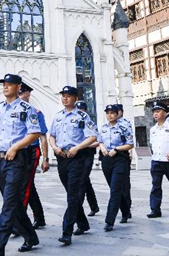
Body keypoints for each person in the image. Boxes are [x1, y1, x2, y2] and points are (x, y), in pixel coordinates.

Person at [0, 74, 41, 255]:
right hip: (0, 160)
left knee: (9, 204)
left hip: (18, 160)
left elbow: (34, 133)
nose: (5, 87)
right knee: (13, 202)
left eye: (10, 84)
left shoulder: (26, 108)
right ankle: (31, 237)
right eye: (4, 84)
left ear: (18, 87)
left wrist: (16, 147)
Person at [49, 86, 97, 246]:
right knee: (72, 192)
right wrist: (55, 148)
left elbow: (92, 137)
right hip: (62, 158)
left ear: (76, 98)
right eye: (63, 96)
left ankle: (66, 232)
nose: (65, 99)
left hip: (77, 158)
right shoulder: (57, 117)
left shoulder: (82, 116)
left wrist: (77, 147)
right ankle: (83, 223)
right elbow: (52, 136)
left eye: (68, 96)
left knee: (73, 195)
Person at [96, 104, 134, 232]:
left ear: (118, 114)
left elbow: (130, 144)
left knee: (115, 190)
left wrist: (116, 149)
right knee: (114, 188)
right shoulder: (104, 128)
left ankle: (109, 221)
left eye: (112, 113)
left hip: (120, 159)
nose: (110, 115)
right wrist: (102, 149)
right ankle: (125, 210)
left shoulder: (124, 127)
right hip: (107, 160)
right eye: (107, 113)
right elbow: (100, 141)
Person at [18, 82, 49, 229]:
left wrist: (45, 158)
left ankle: (20, 223)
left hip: (31, 152)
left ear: (28, 94)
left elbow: (42, 137)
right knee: (27, 186)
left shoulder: (36, 112)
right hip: (17, 153)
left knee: (24, 186)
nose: (20, 96)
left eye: (22, 93)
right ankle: (39, 217)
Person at [74, 100, 100, 217]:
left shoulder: (89, 122)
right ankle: (94, 206)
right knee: (85, 182)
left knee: (81, 181)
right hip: (78, 155)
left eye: (81, 110)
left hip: (88, 155)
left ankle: (77, 208)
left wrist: (84, 144)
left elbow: (97, 141)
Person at [114, 103, 132, 223]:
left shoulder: (125, 124)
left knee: (125, 184)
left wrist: (129, 152)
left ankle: (127, 208)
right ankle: (124, 208)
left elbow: (129, 139)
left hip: (122, 155)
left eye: (116, 111)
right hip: (111, 156)